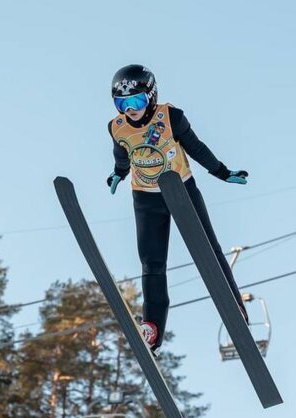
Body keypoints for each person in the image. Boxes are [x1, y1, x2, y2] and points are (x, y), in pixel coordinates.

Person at [106, 64, 249, 355]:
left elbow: (196, 147)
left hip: (181, 190)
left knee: (209, 248)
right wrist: (118, 174)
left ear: (152, 95)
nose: (130, 110)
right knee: (152, 262)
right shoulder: (117, 127)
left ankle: (234, 306)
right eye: (123, 104)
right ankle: (153, 328)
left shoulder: (170, 117)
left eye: (137, 101)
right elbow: (122, 156)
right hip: (146, 198)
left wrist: (221, 171)